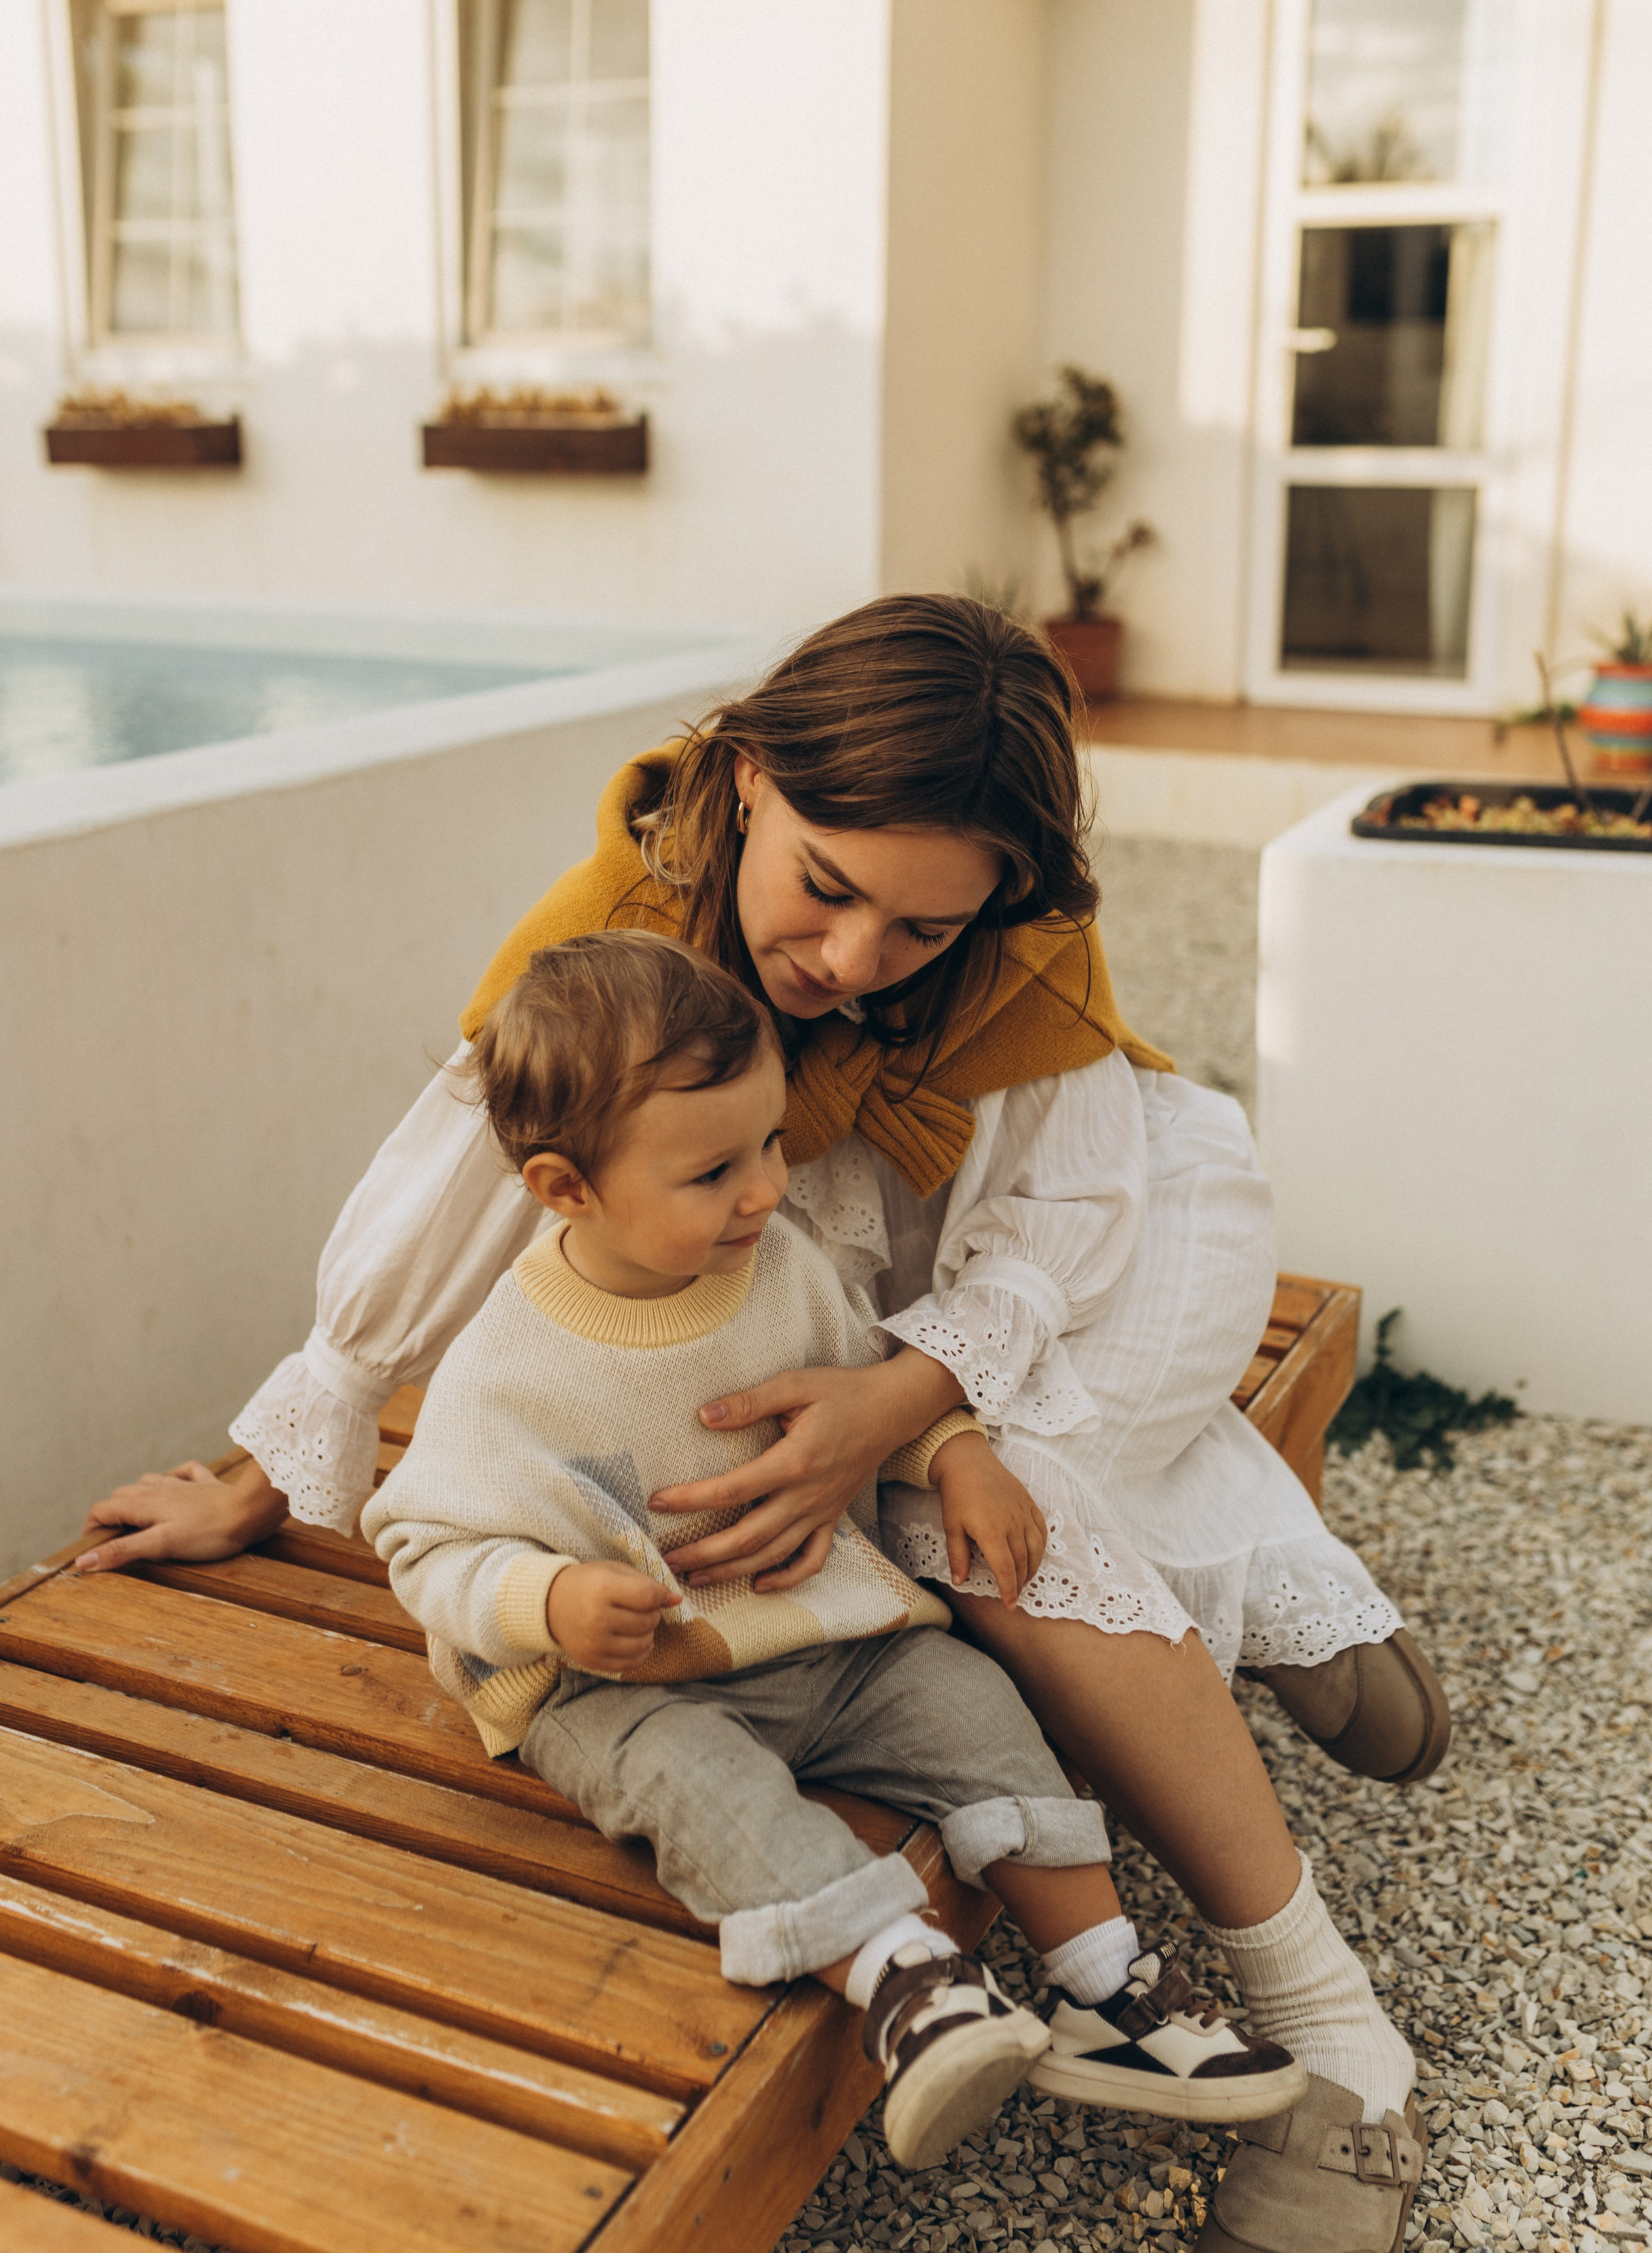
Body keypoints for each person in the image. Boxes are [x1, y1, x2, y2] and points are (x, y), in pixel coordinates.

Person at [84, 598, 1438, 2250]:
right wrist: (274, 1463)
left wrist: (908, 1400)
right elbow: (456, 1190)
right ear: (743, 779)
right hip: (828, 1245)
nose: (861, 964)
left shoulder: (1024, 938)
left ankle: (1339, 2042)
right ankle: (1282, 1604)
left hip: (1090, 1234)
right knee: (932, 1489)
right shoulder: (614, 931)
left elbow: (1056, 1220)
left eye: (924, 932)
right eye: (826, 888)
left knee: (1001, 1506)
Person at [361, 929, 1306, 2169]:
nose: (763, 1189)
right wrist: (546, 1600)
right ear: (565, 1190)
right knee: (703, 1791)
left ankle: (1101, 1982)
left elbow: (862, 1390)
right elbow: (421, 1540)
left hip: (831, 1639)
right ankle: (910, 1985)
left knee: (972, 1701)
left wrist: (954, 1452)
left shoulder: (778, 1265)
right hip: (632, 1686)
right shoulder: (508, 1366)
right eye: (714, 1172)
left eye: (769, 1144)